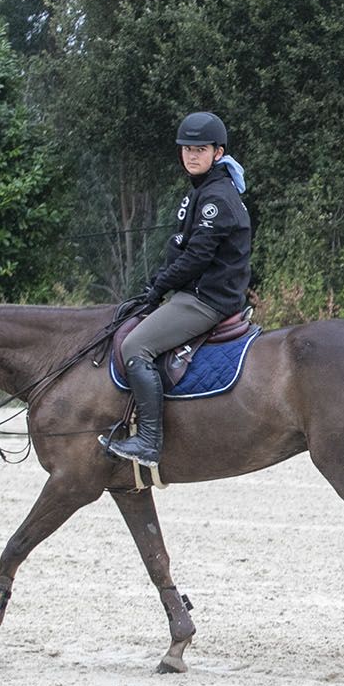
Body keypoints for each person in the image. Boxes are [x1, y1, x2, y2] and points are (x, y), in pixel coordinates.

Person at [100, 111, 253, 468]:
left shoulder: (217, 198)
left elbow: (197, 257)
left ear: (218, 152)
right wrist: (159, 284)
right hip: (196, 291)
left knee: (135, 345)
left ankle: (149, 442)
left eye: (200, 149)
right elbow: (181, 247)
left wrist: (158, 286)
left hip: (208, 299)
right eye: (186, 149)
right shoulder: (201, 192)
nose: (191, 156)